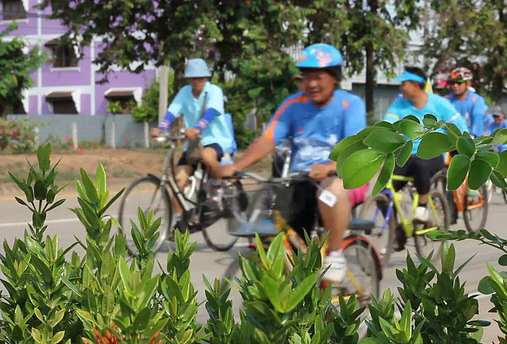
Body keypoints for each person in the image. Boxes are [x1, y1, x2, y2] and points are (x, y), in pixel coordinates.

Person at [220, 43, 366, 282]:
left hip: (343, 177)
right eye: (306, 78)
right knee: (290, 245)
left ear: (334, 78)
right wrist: (237, 166)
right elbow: (267, 139)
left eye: (318, 77)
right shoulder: (293, 105)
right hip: (300, 180)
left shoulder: (350, 105)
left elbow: (355, 149)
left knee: (332, 191)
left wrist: (330, 168)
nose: (311, 84)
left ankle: (336, 253)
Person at [150, 58, 234, 231]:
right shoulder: (184, 92)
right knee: (178, 180)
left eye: (201, 78)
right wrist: (161, 128)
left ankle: (217, 189)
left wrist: (197, 128)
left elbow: (213, 110)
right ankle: (181, 220)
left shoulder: (214, 91)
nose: (197, 81)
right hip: (193, 143)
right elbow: (173, 110)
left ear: (206, 77)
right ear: (188, 79)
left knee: (207, 156)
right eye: (194, 78)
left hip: (215, 138)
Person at [383, 66, 468, 232]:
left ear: (415, 84)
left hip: (432, 155)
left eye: (404, 83)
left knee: (420, 164)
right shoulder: (399, 104)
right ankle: (395, 228)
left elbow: (459, 126)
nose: (400, 87)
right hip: (406, 155)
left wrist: (464, 147)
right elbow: (387, 124)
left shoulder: (439, 104)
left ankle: (422, 207)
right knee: (385, 191)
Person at [444, 67, 487, 138]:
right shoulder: (446, 100)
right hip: (449, 141)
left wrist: (472, 137)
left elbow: (478, 120)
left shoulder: (477, 100)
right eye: (453, 83)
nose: (455, 85)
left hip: (470, 140)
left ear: (468, 84)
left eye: (459, 82)